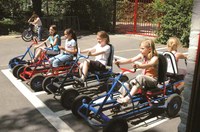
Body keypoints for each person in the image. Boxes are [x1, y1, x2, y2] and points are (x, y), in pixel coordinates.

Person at [115, 39, 159, 104]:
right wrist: (120, 62)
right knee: (127, 83)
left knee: (140, 77)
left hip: (153, 80)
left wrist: (139, 66)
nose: (140, 50)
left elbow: (149, 64)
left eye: (142, 48)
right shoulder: (142, 55)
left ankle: (128, 98)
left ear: (149, 49)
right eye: (140, 48)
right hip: (143, 79)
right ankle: (121, 96)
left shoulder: (155, 58)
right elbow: (131, 60)